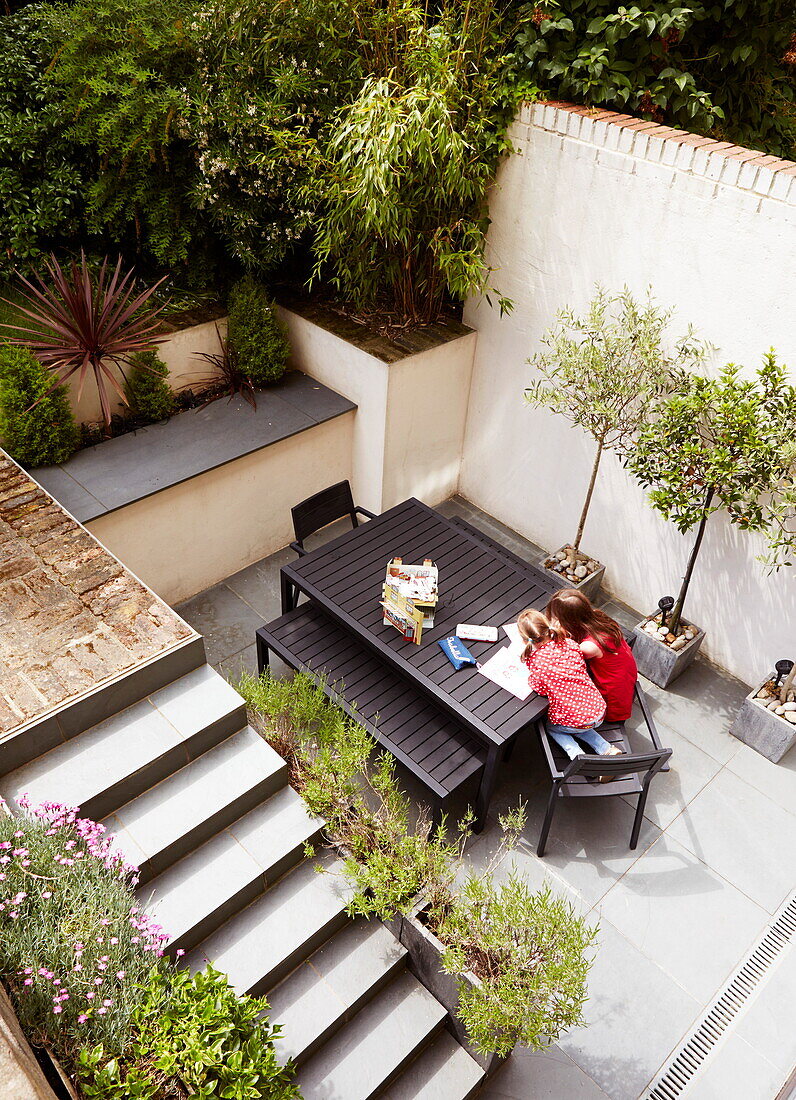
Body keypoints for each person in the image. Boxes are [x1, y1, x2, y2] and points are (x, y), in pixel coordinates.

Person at [518, 608, 623, 772]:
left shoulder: (536, 662)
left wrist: (532, 678)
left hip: (576, 720)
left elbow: (541, 690)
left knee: (552, 727)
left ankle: (578, 757)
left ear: (526, 641)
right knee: (578, 725)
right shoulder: (570, 644)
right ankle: (607, 749)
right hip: (598, 710)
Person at [545, 589, 637, 723]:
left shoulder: (589, 647)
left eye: (556, 618)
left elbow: (563, 658)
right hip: (626, 677)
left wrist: (557, 632)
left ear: (568, 621)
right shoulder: (599, 617)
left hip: (611, 695)